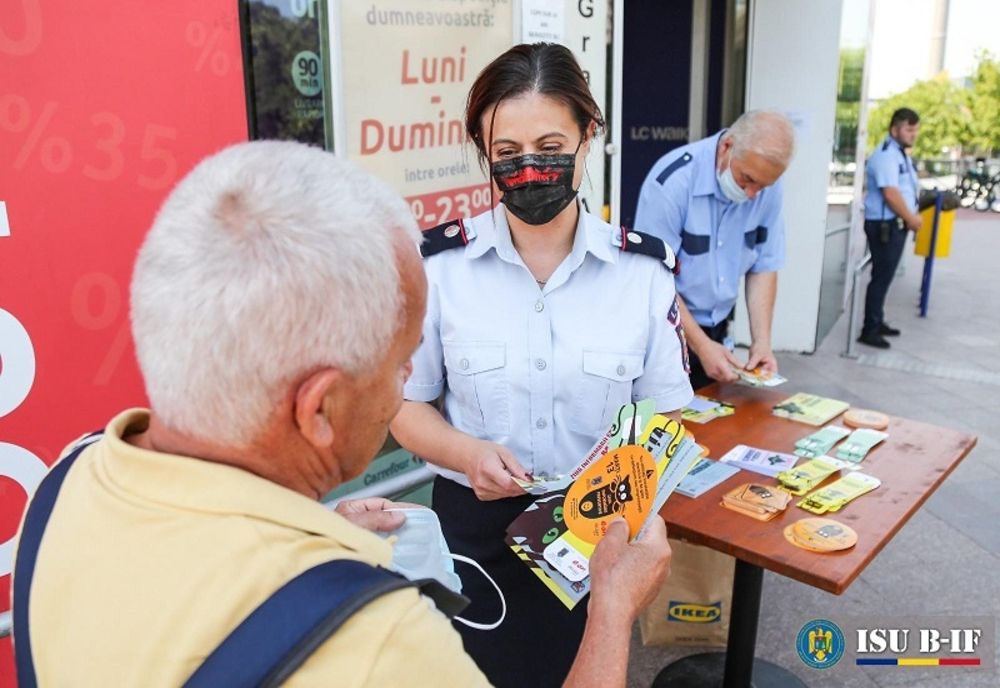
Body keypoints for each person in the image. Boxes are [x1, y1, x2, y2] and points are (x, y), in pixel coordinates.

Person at [11, 141, 672, 687]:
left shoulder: (68, 478)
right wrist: (611, 614)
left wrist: (313, 530)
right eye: (399, 361)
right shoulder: (380, 645)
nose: (410, 384)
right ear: (319, 408)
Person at [389, 43, 693, 688]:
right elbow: (405, 407)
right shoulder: (439, 269)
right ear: (485, 156)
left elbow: (661, 417)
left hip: (593, 535)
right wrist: (467, 451)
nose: (530, 169)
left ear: (589, 137)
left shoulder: (642, 273)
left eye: (551, 145)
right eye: (506, 155)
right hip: (472, 532)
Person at [635, 110, 795, 390]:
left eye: (763, 186)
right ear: (727, 147)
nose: (752, 194)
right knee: (664, 424)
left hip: (717, 330)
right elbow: (653, 279)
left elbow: (764, 265)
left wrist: (762, 342)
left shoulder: (768, 187)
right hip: (665, 330)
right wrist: (700, 345)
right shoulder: (673, 182)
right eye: (747, 179)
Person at [858, 107, 922, 349]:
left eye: (915, 130)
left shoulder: (899, 154)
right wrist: (912, 219)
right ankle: (870, 329)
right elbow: (891, 193)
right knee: (881, 277)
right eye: (908, 129)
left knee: (885, 276)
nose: (913, 134)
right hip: (885, 224)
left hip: (893, 224)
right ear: (894, 129)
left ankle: (877, 320)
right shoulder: (886, 155)